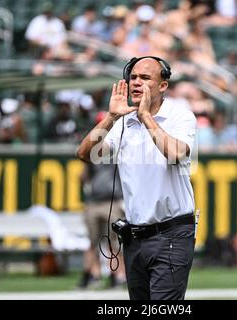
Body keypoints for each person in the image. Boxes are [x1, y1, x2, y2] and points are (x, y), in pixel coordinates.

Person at [77, 56, 197, 300]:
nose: (136, 82)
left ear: (162, 86)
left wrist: (146, 117)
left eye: (145, 78)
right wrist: (111, 117)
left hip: (172, 232)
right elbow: (85, 154)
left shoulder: (180, 116)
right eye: (133, 77)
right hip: (134, 236)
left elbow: (175, 153)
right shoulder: (122, 122)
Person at [78, 160, 127, 289]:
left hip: (113, 201)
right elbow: (82, 178)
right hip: (94, 202)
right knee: (92, 242)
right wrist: (86, 164)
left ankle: (116, 275)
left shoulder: (116, 152)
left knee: (113, 242)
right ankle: (92, 275)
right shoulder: (92, 157)